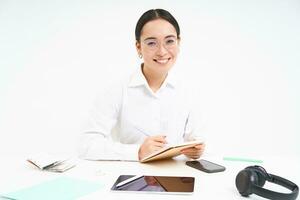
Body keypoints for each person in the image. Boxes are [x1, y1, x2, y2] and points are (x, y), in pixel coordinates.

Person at [78, 8, 206, 161]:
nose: (162, 51)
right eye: (152, 43)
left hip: (177, 177)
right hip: (130, 177)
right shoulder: (117, 90)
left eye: (169, 41)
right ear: (138, 47)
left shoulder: (187, 91)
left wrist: (196, 150)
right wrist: (137, 151)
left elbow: (195, 137)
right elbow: (87, 145)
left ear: (179, 42)